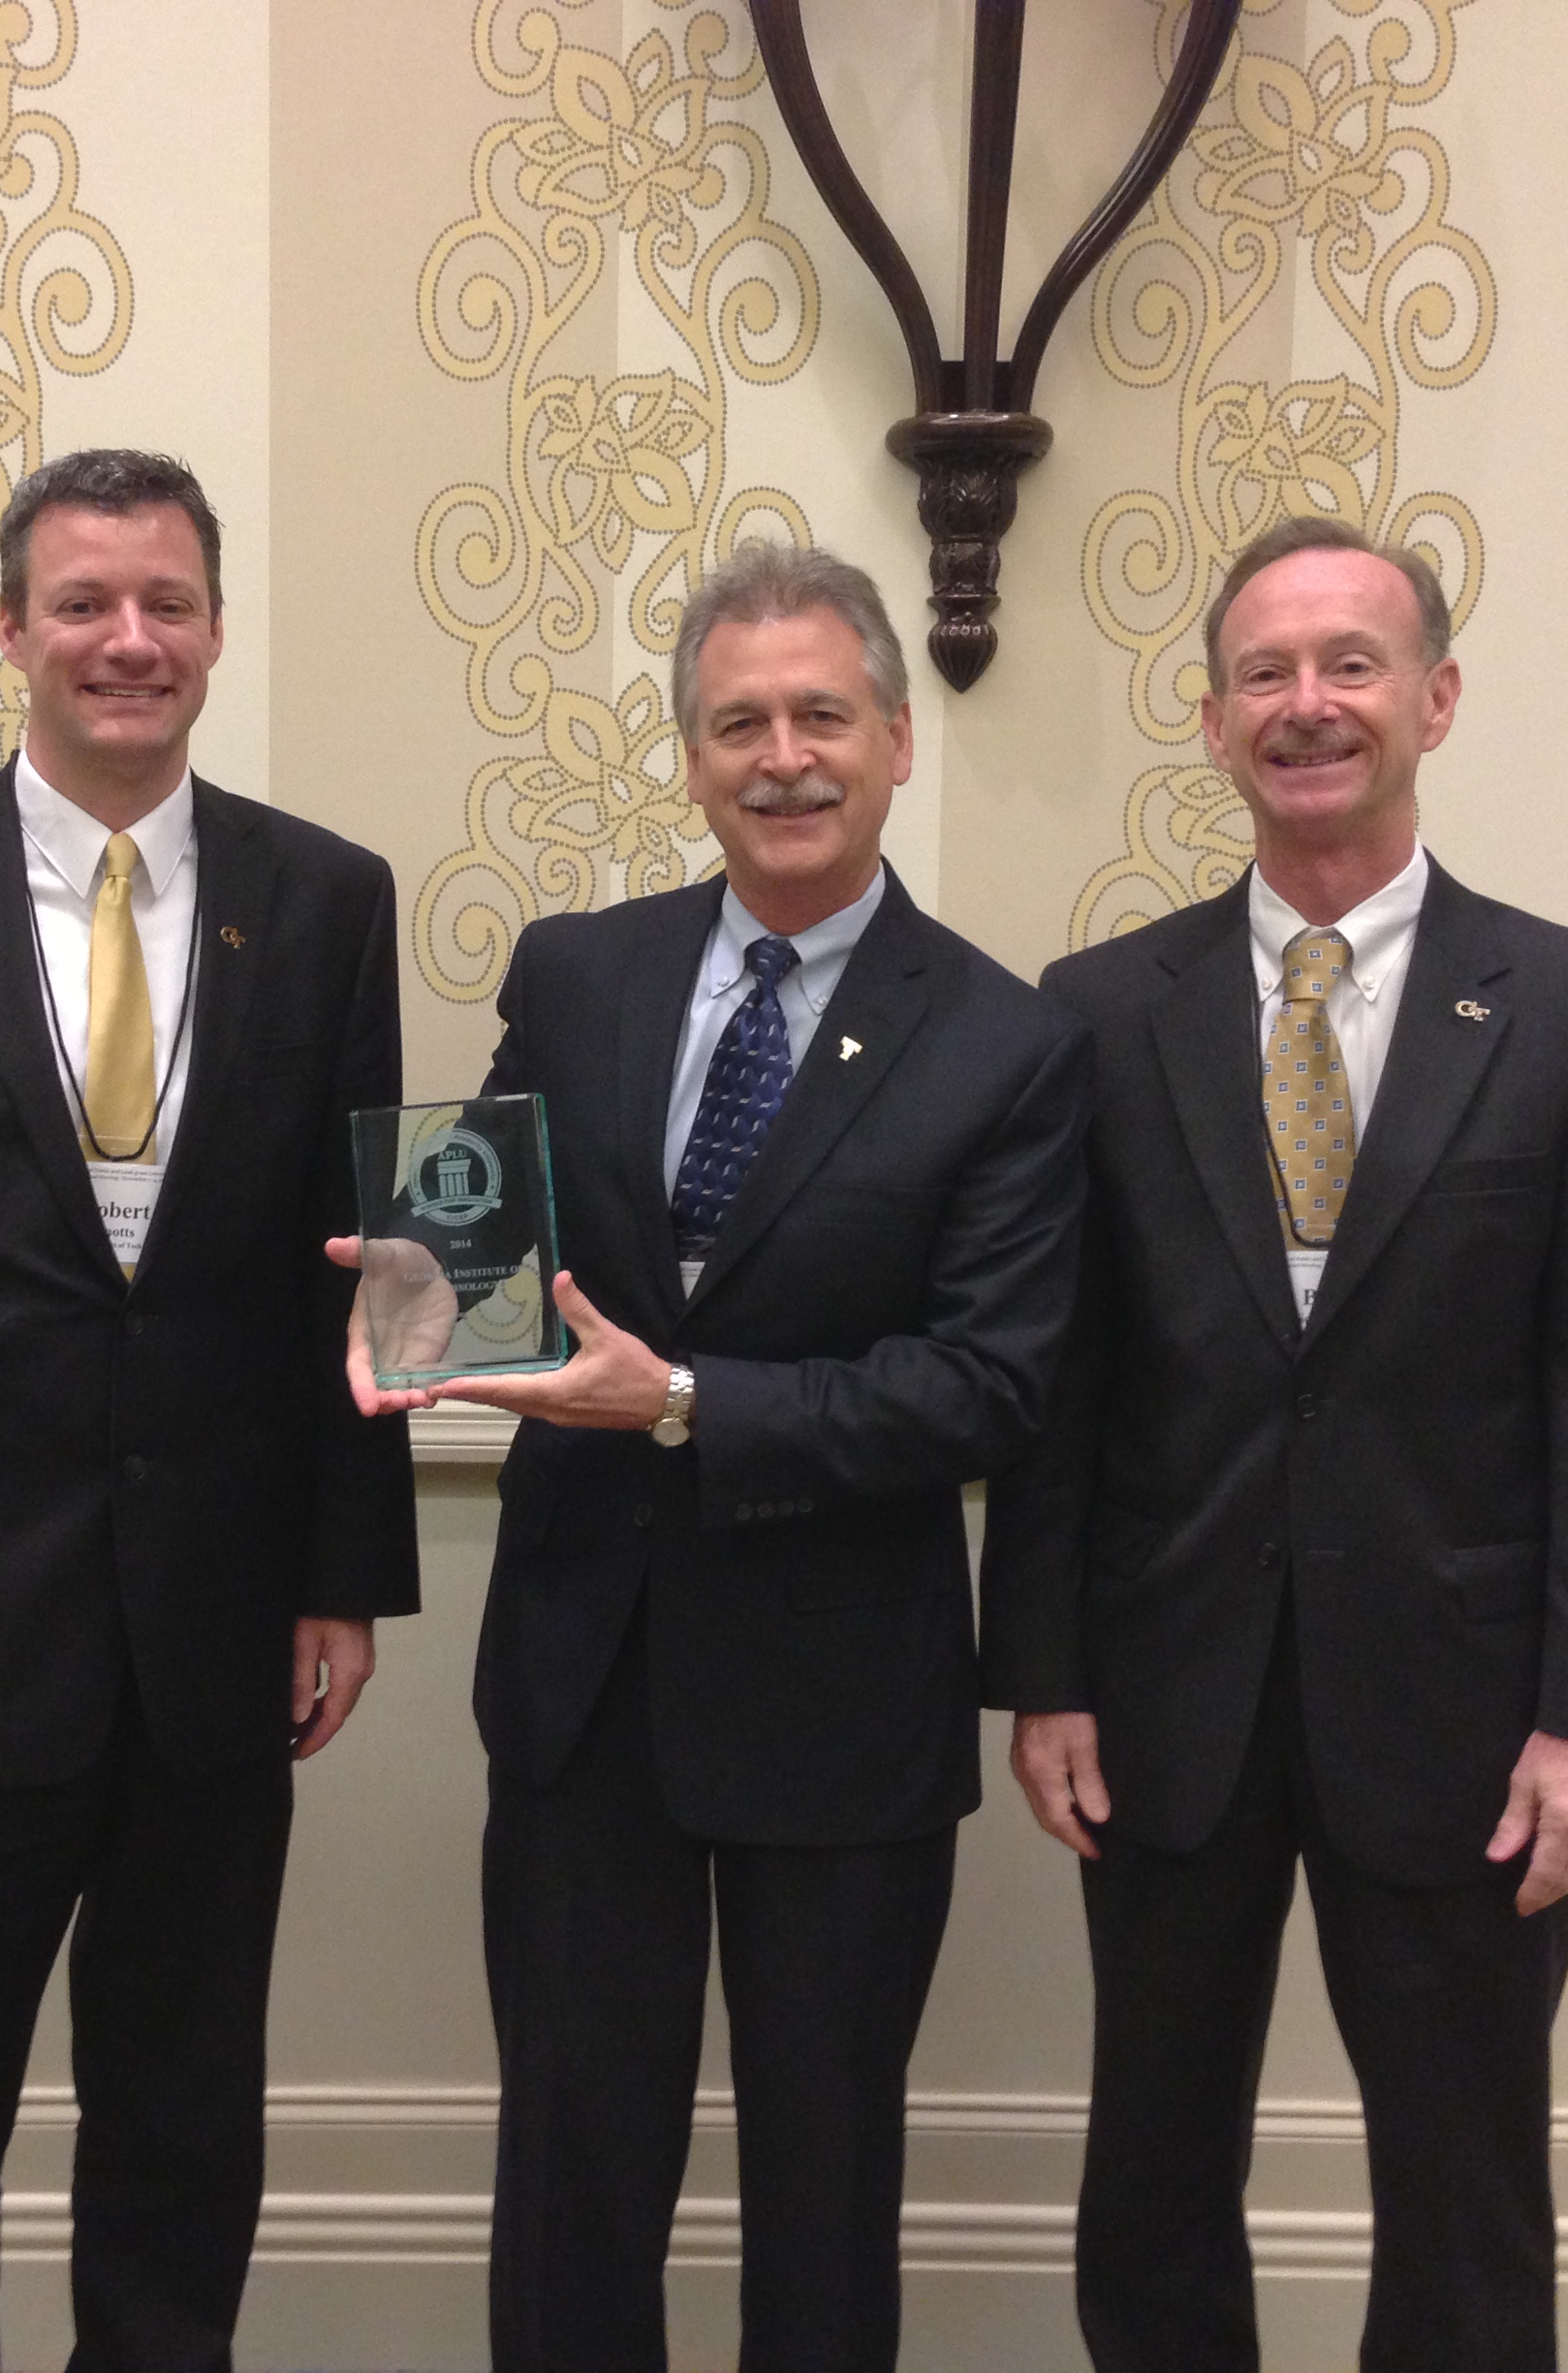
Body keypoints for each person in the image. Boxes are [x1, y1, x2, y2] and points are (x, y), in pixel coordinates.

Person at [344, 541, 1092, 2372]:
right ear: (688, 759)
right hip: (584, 1690)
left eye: (822, 714)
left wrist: (681, 1404)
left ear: (899, 741)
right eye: (739, 721)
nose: (784, 756)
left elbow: (985, 1385)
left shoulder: (1007, 1038)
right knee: (573, 2179)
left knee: (825, 2199)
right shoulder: (580, 971)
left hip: (842, 1712)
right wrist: (414, 1320)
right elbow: (481, 1275)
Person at [986, 514, 1568, 2370]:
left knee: (1466, 2194)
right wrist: (1045, 1673)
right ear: (1212, 721)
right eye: (1266, 675)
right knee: (1150, 2179)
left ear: (1436, 700)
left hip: (1470, 1717)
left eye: (1351, 665)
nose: (1309, 706)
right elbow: (1069, 1386)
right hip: (1164, 1699)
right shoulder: (1100, 1017)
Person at [0, 447, 421, 2371]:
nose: (130, 641)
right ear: (15, 627)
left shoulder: (323, 897)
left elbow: (360, 1253)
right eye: (84, 604)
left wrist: (340, 1578)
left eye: (168, 604)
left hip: (218, 1628)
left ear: (216, 626)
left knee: (189, 2123)